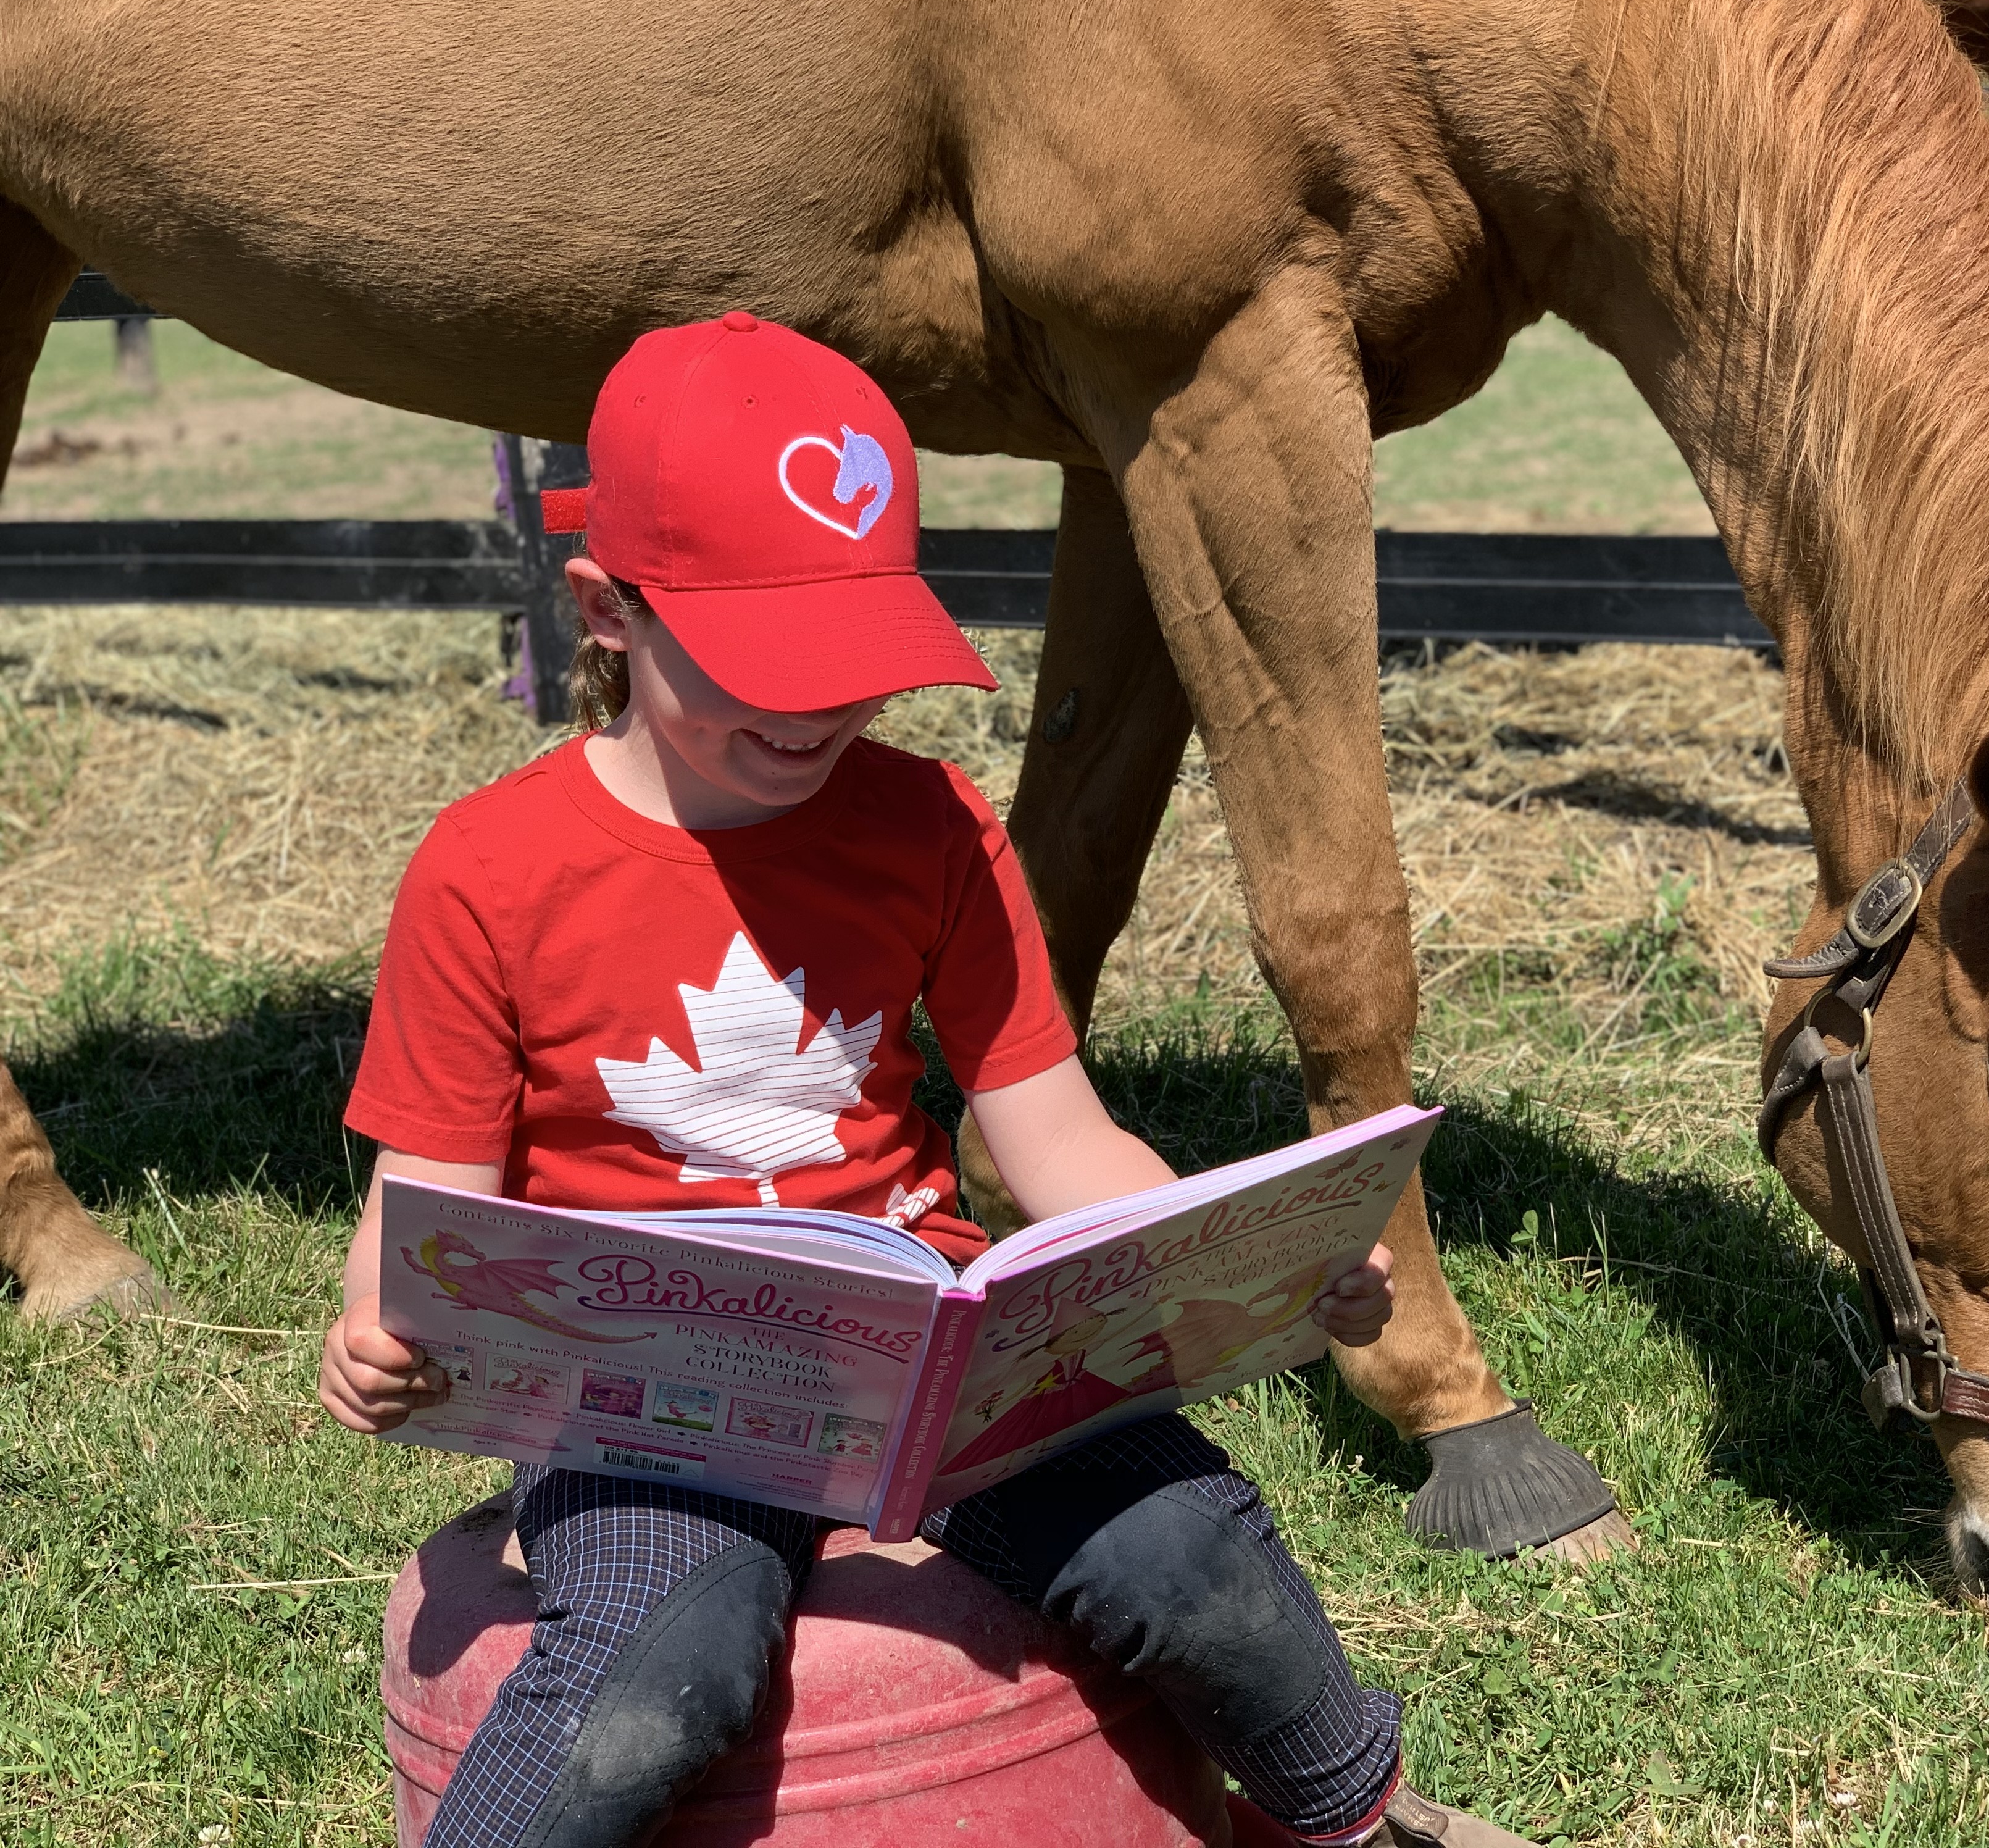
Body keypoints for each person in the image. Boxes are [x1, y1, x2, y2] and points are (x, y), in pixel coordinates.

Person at [315, 312, 1536, 1848]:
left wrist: (1255, 1256)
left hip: (928, 1376)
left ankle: (1352, 1817)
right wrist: (377, 1331)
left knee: (1187, 1545)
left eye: (856, 664)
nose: (819, 713)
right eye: (768, 666)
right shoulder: (490, 869)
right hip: (649, 1408)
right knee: (654, 1665)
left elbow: (1058, 1136)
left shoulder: (932, 828)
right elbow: (431, 1210)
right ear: (607, 611)